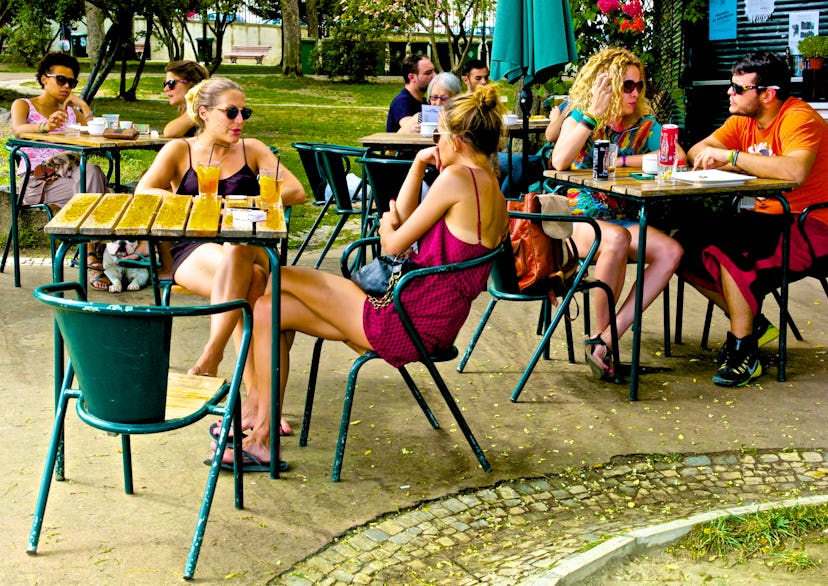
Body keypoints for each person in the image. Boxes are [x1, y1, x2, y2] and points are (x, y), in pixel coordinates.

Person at [233, 85, 510, 470]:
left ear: (458, 140)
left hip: (404, 319)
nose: (436, 144)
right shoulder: (489, 184)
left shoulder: (458, 179)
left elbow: (394, 244)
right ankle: (260, 429)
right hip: (431, 319)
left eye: (439, 136)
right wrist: (417, 165)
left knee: (274, 278)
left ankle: (253, 417)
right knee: (266, 310)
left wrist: (384, 227)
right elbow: (408, 216)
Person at [135, 77, 306, 436]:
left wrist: (240, 206)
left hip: (251, 246)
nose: (239, 120)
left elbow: (295, 191)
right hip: (192, 249)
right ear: (203, 113)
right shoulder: (179, 151)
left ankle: (211, 358)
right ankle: (260, 407)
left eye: (244, 112)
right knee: (256, 291)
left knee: (240, 250)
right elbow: (146, 191)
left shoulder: (252, 149)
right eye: (231, 112)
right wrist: (193, 204)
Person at [678, 50, 828, 387]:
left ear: (768, 94)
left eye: (737, 88)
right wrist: (734, 159)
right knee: (681, 246)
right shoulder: (742, 121)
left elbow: (793, 170)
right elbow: (695, 154)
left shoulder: (799, 119)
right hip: (765, 218)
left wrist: (731, 157)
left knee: (732, 250)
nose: (729, 93)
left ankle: (744, 351)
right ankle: (754, 323)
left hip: (811, 224)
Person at [550, 47, 685, 379]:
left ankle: (604, 341)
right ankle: (602, 344)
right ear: (606, 84)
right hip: (580, 216)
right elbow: (559, 160)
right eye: (627, 86)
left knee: (671, 250)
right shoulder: (580, 115)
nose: (635, 93)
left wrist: (622, 161)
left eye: (639, 86)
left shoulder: (644, 123)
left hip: (623, 215)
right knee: (614, 240)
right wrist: (594, 112)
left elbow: (678, 158)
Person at [10, 51, 110, 289]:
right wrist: (44, 126)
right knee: (104, 196)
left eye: (72, 82)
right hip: (37, 181)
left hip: (71, 171)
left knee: (93, 171)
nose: (67, 86)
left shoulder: (71, 112)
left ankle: (89, 250)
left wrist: (82, 105)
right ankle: (93, 256)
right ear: (45, 78)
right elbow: (18, 130)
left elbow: (97, 134)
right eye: (61, 80)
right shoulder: (23, 104)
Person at [397, 71, 462, 134]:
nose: (438, 103)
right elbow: (396, 139)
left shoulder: (463, 118)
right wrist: (412, 134)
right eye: (434, 97)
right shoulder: (421, 117)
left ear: (455, 98)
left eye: (444, 98)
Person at [385, 54, 435, 132]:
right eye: (428, 73)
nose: (435, 76)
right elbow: (408, 125)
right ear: (412, 77)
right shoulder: (402, 101)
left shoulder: (425, 102)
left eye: (434, 71)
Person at [162, 60, 209, 138]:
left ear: (192, 84)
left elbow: (169, 132)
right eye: (165, 84)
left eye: (171, 83)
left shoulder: (201, 107)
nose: (166, 89)